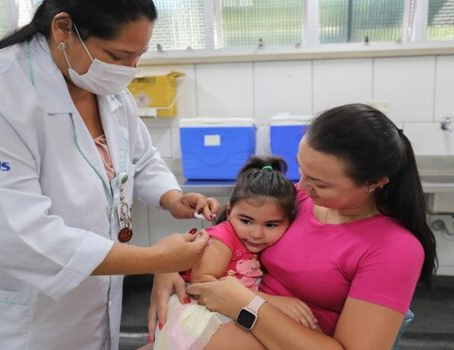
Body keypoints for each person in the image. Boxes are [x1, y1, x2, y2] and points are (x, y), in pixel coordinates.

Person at [0, 1, 219, 349]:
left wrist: (171, 198)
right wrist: (157, 259)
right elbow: (23, 237)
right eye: (118, 55)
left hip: (90, 311)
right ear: (63, 28)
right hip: (18, 322)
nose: (130, 69)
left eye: (137, 57)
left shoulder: (101, 85)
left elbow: (138, 158)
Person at [148, 103, 438, 350]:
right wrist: (169, 263)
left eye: (321, 183)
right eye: (302, 170)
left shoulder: (395, 248)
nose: (302, 186)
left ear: (375, 182)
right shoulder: (298, 198)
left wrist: (248, 304)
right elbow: (225, 229)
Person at [154, 156, 303, 349]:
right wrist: (272, 303)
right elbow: (202, 283)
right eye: (246, 221)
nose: (257, 234)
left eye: (271, 224)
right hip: (197, 313)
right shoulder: (223, 238)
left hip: (225, 308)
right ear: (230, 210)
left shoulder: (257, 241)